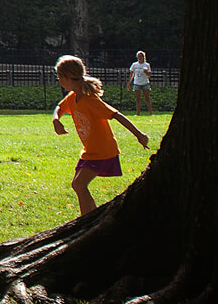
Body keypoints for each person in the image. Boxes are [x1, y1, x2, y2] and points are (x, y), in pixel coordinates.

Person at [52, 55, 150, 215]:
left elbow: (117, 115)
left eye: (59, 77)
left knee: (79, 185)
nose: (59, 81)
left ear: (67, 77)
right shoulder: (73, 97)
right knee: (77, 185)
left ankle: (85, 221)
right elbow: (59, 108)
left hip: (102, 151)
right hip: (89, 152)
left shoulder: (91, 100)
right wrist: (56, 120)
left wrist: (139, 134)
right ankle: (93, 218)